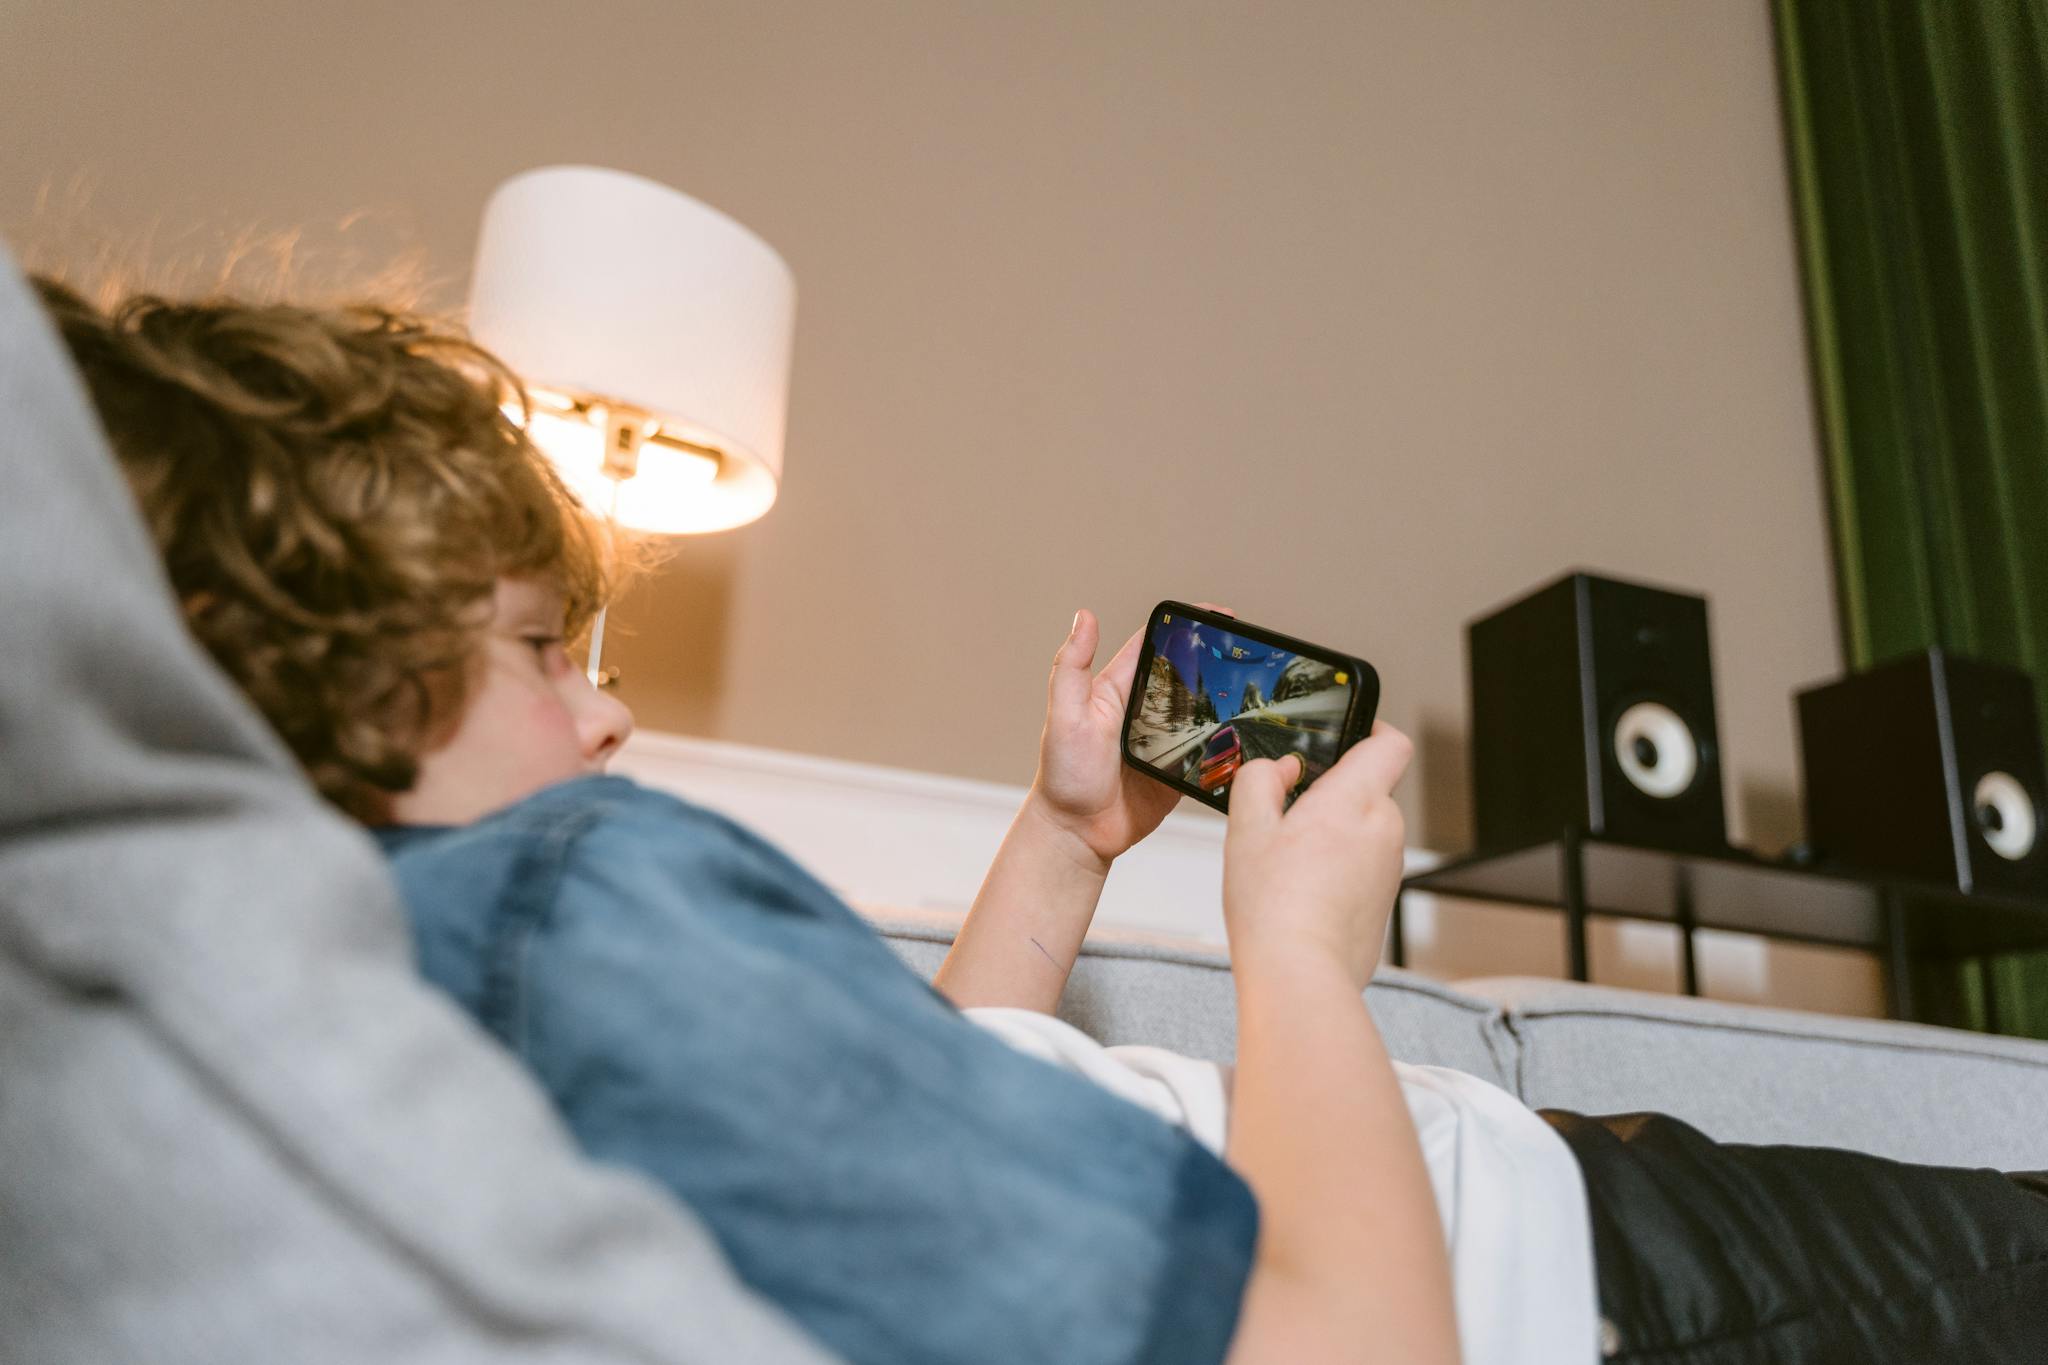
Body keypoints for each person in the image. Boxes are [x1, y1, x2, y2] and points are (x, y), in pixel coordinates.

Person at [38, 275, 2048, 1365]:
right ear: (333, 661)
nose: (609, 705)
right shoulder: (568, 897)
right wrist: (1299, 956)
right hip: (1580, 1278)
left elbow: (927, 1108)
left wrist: (1069, 834)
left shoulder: (408, 993)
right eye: (540, 647)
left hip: (1542, 1202)